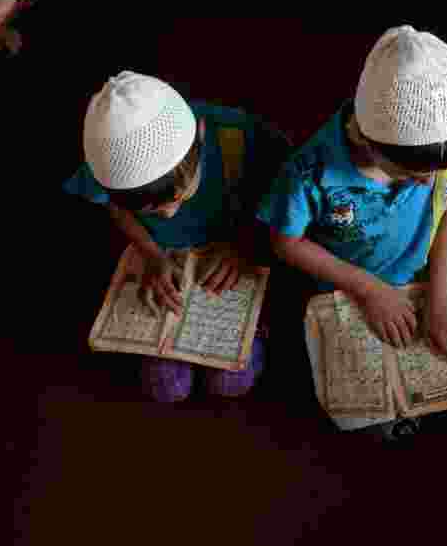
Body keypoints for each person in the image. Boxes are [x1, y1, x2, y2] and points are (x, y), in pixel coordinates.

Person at [257, 25, 447, 441]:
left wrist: (441, 297)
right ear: (363, 139)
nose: (426, 184)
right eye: (406, 174)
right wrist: (369, 290)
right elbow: (285, 242)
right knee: (375, 423)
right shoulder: (310, 171)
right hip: (341, 290)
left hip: (418, 282)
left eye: (436, 174)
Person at [64, 71, 292, 403]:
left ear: (200, 137)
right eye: (152, 212)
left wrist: (245, 246)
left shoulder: (239, 136)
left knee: (230, 381)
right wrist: (152, 253)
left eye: (179, 197)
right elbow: (114, 208)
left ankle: (256, 325)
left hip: (236, 250)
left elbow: (285, 199)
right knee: (165, 386)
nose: (169, 214)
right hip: (165, 258)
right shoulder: (106, 164)